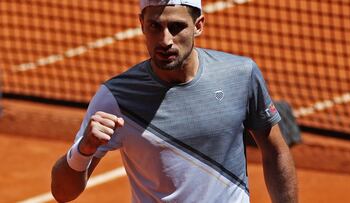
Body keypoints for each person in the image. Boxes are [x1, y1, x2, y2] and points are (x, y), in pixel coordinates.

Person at [51, 1, 298, 202]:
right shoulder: (115, 97)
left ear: (199, 25)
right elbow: (62, 193)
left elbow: (275, 151)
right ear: (141, 25)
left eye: (177, 27)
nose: (165, 40)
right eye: (155, 27)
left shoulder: (241, 75)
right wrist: (84, 150)